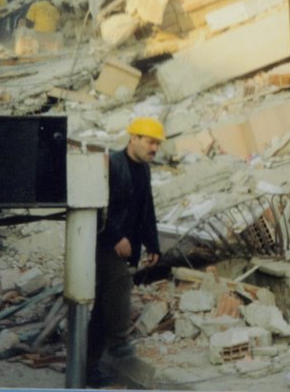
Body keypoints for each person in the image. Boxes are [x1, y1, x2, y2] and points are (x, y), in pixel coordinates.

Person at [86, 117, 164, 387]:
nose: (154, 148)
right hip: (104, 245)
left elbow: (147, 210)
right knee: (120, 284)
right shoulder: (113, 164)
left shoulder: (143, 170)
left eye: (157, 144)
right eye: (150, 142)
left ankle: (89, 367)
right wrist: (115, 236)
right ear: (133, 139)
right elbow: (96, 207)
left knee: (101, 310)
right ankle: (118, 343)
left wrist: (153, 245)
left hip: (125, 248)